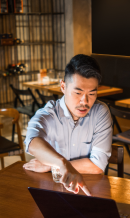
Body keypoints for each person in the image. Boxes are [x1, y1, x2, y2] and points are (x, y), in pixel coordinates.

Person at [23, 54, 112, 196]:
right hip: (54, 190)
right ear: (63, 86)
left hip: (90, 190)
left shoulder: (100, 112)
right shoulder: (48, 113)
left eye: (92, 93)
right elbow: (32, 142)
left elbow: (97, 166)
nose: (85, 101)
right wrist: (61, 164)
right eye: (78, 92)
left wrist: (50, 165)